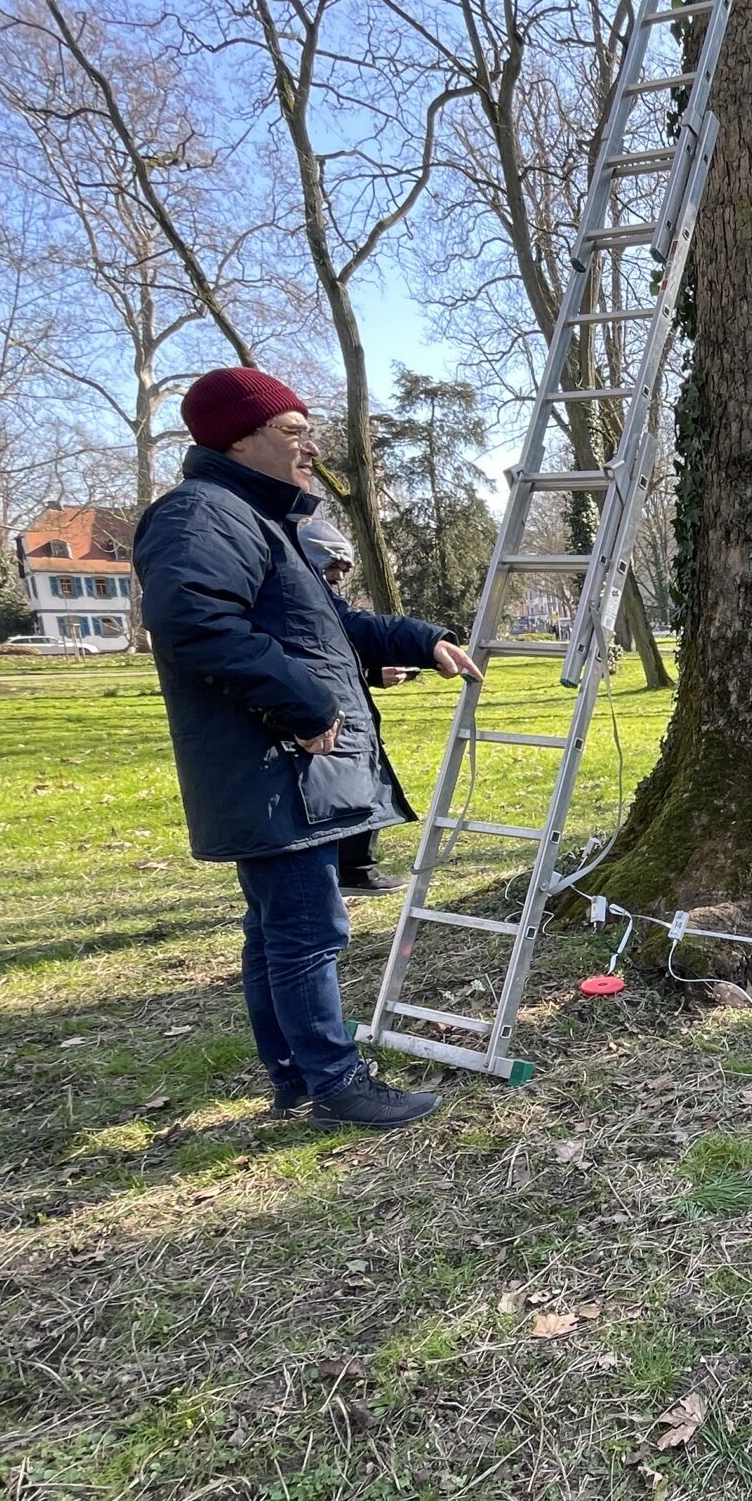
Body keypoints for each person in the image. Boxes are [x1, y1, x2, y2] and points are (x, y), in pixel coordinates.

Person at [133, 366, 480, 1128]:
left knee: (277, 933)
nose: (311, 448)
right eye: (293, 432)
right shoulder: (202, 516)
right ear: (237, 437)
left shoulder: (261, 522)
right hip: (271, 766)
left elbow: (330, 628)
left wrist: (423, 641)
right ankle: (335, 1084)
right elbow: (196, 624)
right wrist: (303, 705)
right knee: (305, 932)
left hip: (283, 767)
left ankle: (295, 1077)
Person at [301, 511, 412, 898]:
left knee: (362, 782)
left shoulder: (324, 602)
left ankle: (355, 866)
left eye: (344, 571)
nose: (340, 578)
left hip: (341, 712)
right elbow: (309, 661)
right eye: (332, 569)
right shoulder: (297, 604)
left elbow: (340, 650)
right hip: (316, 720)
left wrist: (370, 674)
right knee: (343, 789)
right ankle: (347, 869)